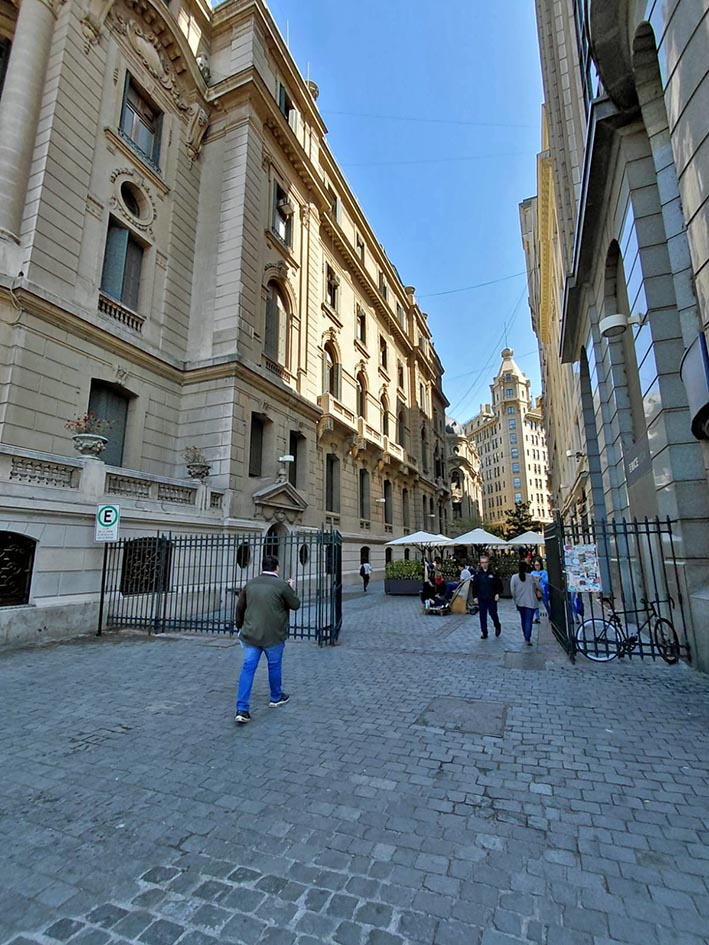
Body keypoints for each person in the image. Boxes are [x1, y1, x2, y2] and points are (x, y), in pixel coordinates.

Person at [234, 554, 300, 724]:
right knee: (274, 666)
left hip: (251, 635)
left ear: (262, 567)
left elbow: (240, 608)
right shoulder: (281, 585)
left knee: (247, 669)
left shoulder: (250, 584)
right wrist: (290, 588)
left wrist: (240, 627)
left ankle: (242, 708)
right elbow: (295, 605)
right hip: (273, 635)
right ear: (276, 568)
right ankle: (275, 697)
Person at [472, 554, 503, 639]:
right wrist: (475, 597)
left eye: (485, 562)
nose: (484, 564)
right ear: (480, 563)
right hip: (482, 598)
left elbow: (499, 585)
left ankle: (497, 625)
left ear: (488, 563)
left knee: (493, 613)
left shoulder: (493, 573)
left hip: (491, 598)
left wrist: (497, 593)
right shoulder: (478, 574)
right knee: (482, 615)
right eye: (482, 562)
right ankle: (484, 632)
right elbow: (474, 586)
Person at [510, 561, 541, 645]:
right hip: (531, 601)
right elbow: (538, 586)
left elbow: (512, 591)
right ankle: (527, 638)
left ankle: (525, 636)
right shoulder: (531, 577)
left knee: (523, 619)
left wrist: (515, 599)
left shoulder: (514, 577)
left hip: (520, 602)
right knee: (528, 620)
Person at [530, 557, 549, 622]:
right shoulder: (532, 572)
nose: (537, 567)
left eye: (538, 565)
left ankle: (550, 614)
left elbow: (547, 581)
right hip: (535, 590)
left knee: (546, 603)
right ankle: (537, 617)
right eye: (535, 565)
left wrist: (541, 578)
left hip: (542, 589)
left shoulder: (544, 572)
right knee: (535, 604)